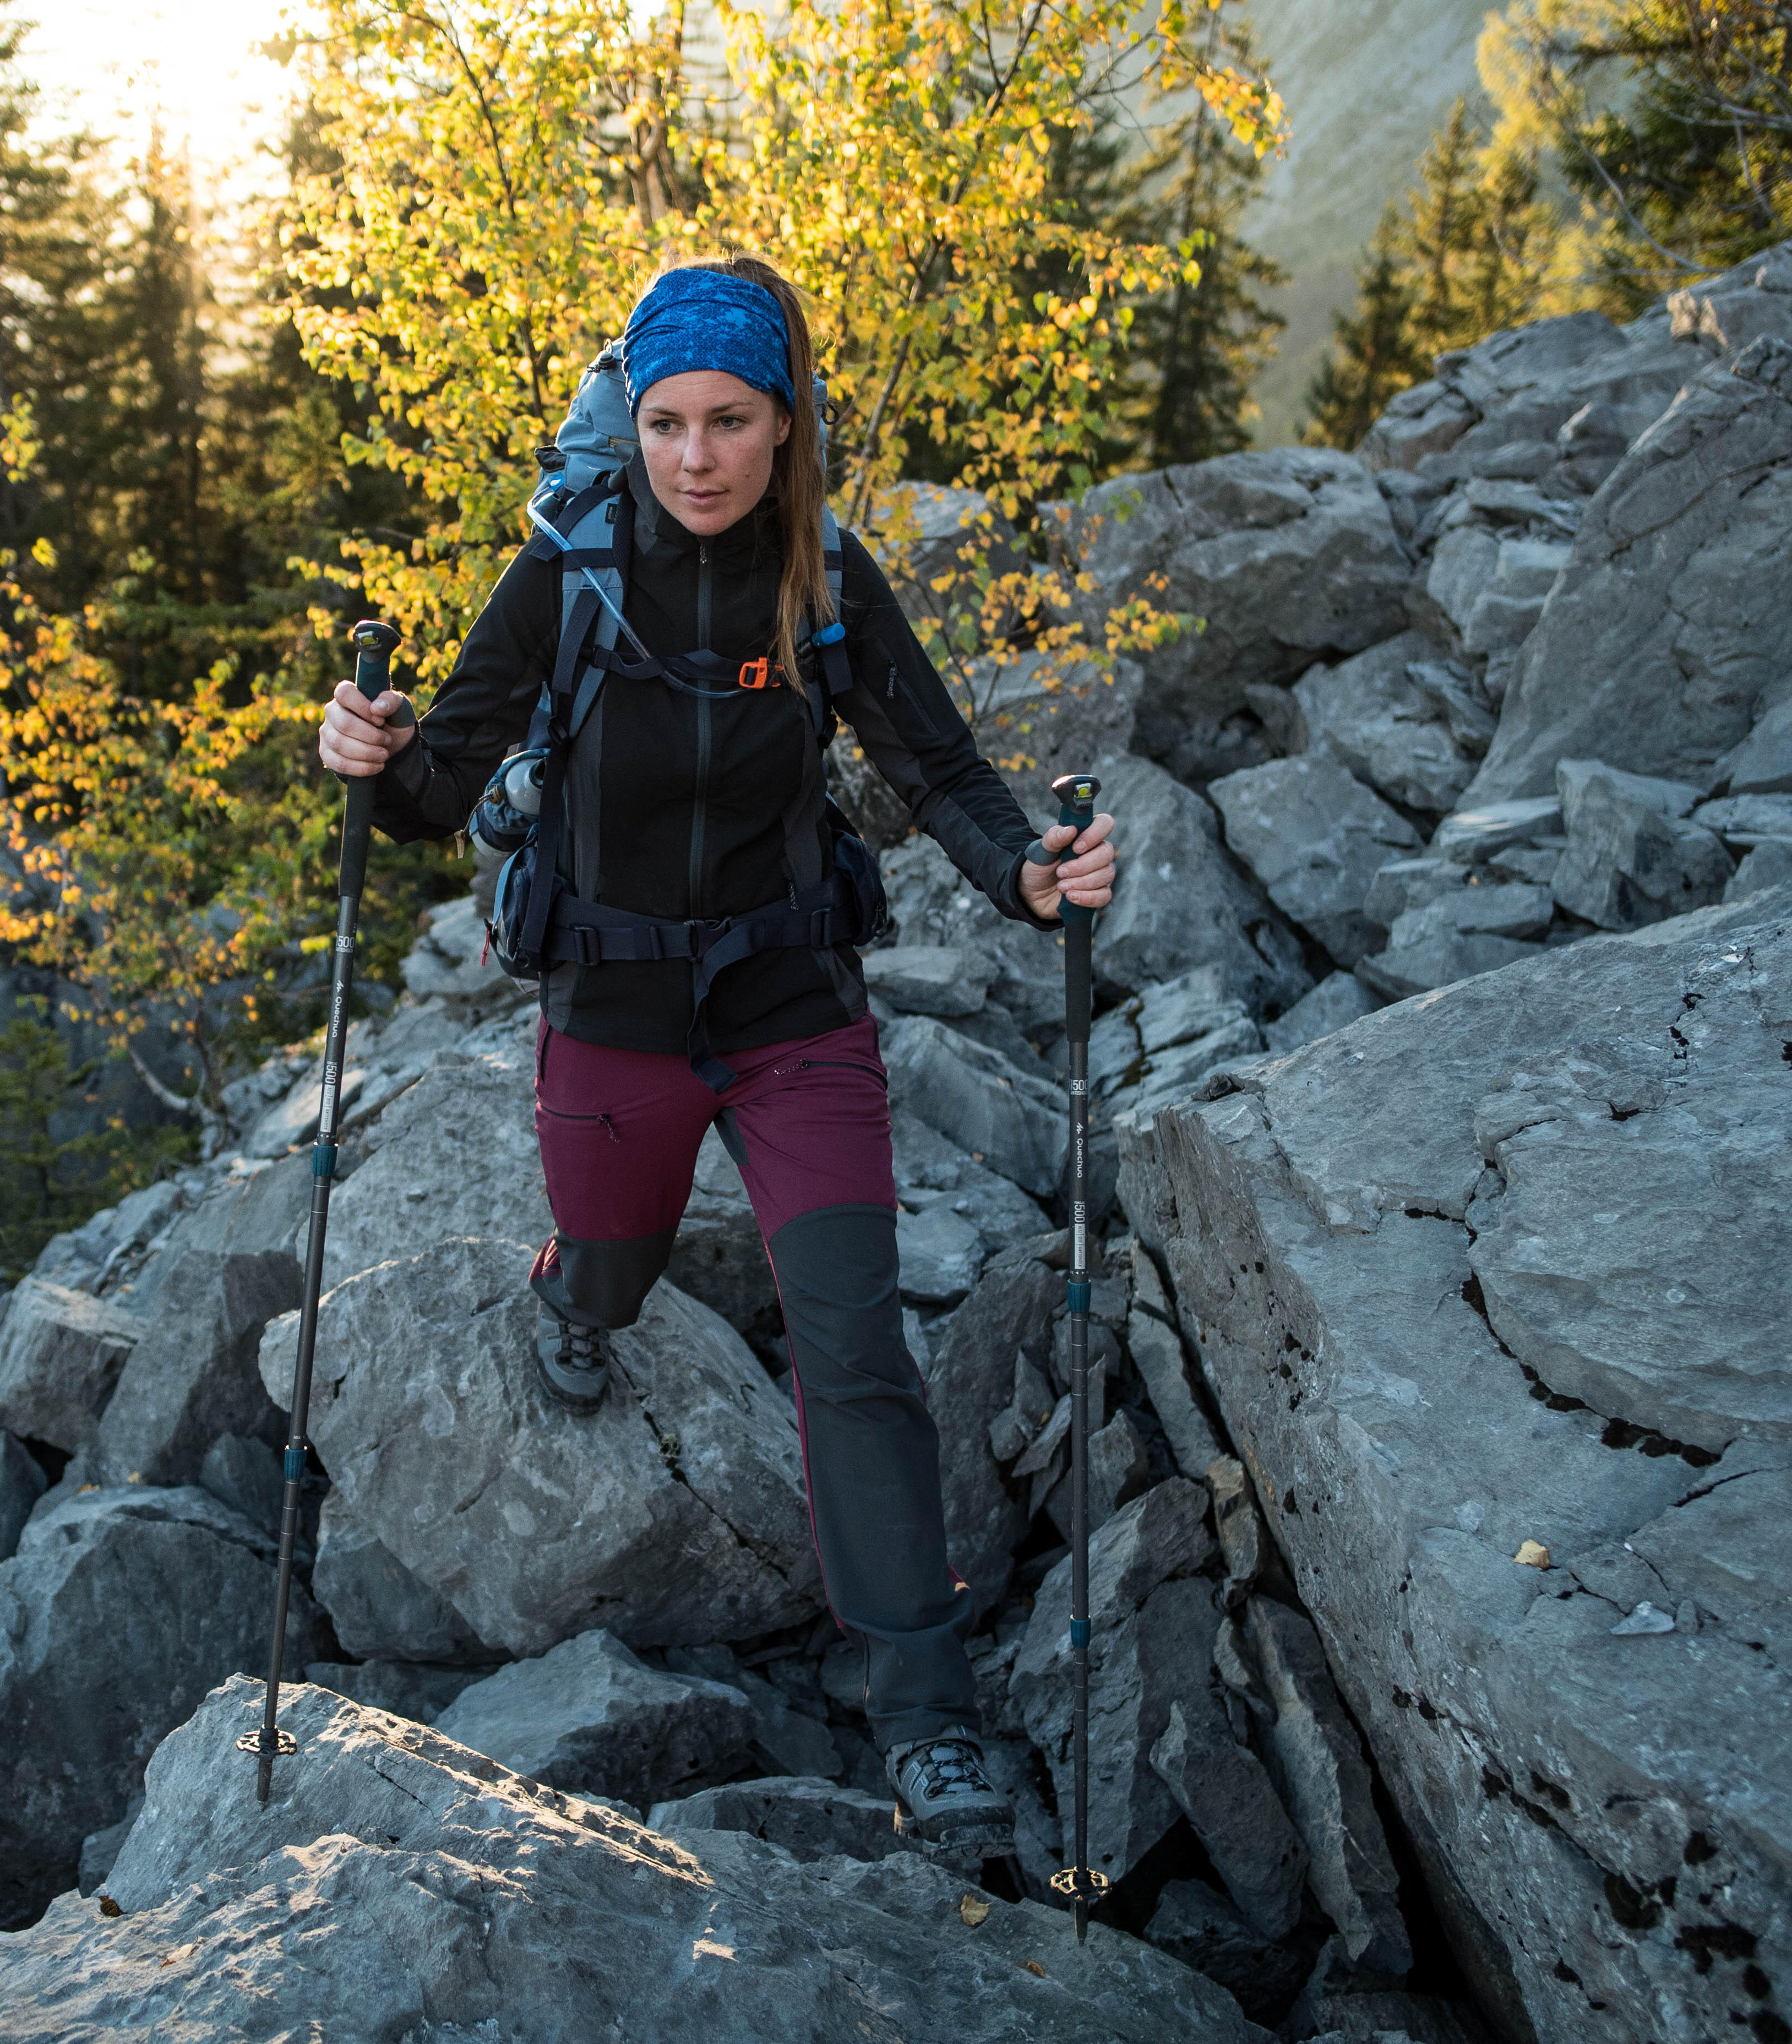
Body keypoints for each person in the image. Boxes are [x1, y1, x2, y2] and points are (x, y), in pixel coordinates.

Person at [315, 255, 1117, 1847]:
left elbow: (941, 770)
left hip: (792, 1009)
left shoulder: (824, 581)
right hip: (610, 1014)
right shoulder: (565, 569)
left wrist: (1033, 875)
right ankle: (579, 1297)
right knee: (611, 1261)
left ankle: (927, 1714)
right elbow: (433, 788)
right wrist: (368, 754)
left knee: (857, 1349)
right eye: (668, 421)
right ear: (633, 422)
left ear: (784, 423)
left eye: (731, 422)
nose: (696, 457)